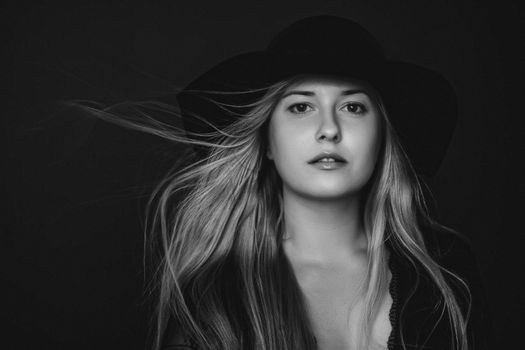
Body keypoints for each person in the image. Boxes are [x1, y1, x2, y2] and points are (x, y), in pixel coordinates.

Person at [89, 15, 490, 350]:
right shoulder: (216, 293)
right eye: (301, 106)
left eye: (353, 107)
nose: (329, 129)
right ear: (267, 141)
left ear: (383, 136)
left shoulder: (444, 272)